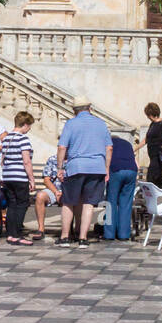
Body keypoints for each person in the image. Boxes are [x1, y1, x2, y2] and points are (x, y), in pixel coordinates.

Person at [55, 95, 112, 247]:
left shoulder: (71, 124)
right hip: (97, 168)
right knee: (89, 203)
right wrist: (106, 169)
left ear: (74, 110)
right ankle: (83, 238)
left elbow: (62, 147)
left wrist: (60, 168)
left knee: (68, 201)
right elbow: (109, 147)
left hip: (76, 167)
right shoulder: (101, 124)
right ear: (90, 108)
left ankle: (65, 237)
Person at [0, 111, 37, 245]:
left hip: (8, 176)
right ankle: (17, 234)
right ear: (25, 125)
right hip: (20, 176)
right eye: (29, 125)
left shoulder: (6, 139)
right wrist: (31, 179)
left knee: (12, 204)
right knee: (22, 204)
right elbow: (26, 161)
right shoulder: (23, 139)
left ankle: (11, 234)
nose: (29, 129)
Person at [104, 132, 138, 242]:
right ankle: (123, 234)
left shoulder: (107, 143)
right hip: (131, 171)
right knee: (126, 204)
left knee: (111, 202)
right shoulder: (127, 144)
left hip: (116, 170)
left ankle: (109, 234)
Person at [138, 103, 162, 190]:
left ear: (150, 114)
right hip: (152, 156)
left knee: (151, 177)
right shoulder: (152, 124)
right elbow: (146, 140)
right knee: (157, 179)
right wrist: (134, 149)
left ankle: (147, 197)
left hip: (159, 156)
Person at [33, 151, 63, 239]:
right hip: (53, 189)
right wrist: (56, 192)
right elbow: (46, 180)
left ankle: (73, 231)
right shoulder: (52, 159)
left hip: (69, 190)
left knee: (73, 197)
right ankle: (41, 229)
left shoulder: (74, 160)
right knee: (40, 196)